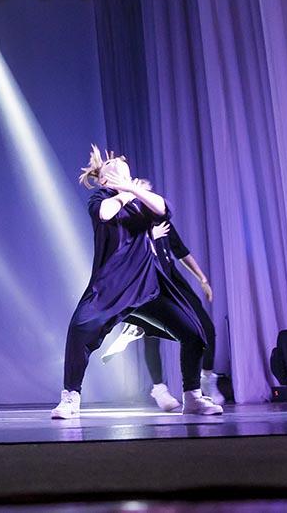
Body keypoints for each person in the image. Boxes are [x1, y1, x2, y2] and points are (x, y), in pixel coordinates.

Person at [51, 146, 221, 419]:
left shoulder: (141, 203)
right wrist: (123, 193)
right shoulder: (100, 198)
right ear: (104, 180)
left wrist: (133, 190)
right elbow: (105, 214)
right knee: (80, 330)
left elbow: (163, 208)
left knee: (194, 333)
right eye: (113, 171)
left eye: (125, 172)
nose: (120, 172)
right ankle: (71, 397)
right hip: (112, 287)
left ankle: (192, 397)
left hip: (148, 286)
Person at [102, 220, 224, 410]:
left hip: (171, 278)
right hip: (147, 278)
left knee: (205, 327)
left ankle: (207, 377)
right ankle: (159, 389)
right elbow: (123, 252)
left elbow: (180, 251)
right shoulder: (129, 221)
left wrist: (202, 278)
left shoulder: (160, 218)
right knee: (151, 334)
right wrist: (150, 237)